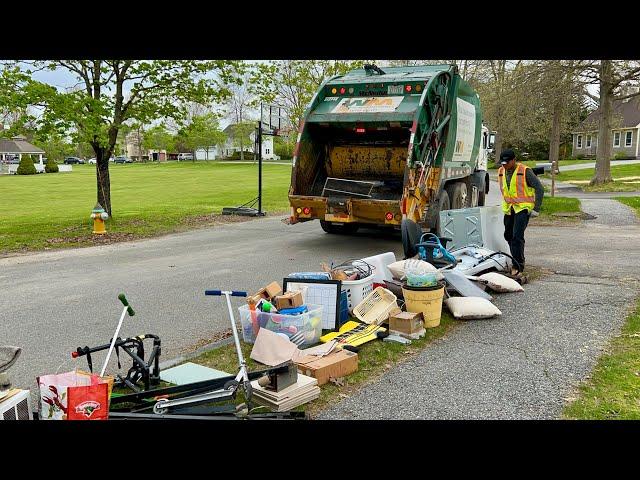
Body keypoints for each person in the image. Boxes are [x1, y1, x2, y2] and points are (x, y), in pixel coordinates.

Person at [497, 149, 544, 275]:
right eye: (502, 163)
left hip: (523, 208)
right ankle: (517, 259)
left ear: (514, 160)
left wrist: (536, 209)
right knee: (508, 235)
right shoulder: (501, 171)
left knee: (517, 236)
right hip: (509, 208)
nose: (504, 165)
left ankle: (518, 265)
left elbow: (539, 188)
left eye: (507, 162)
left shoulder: (525, 171)